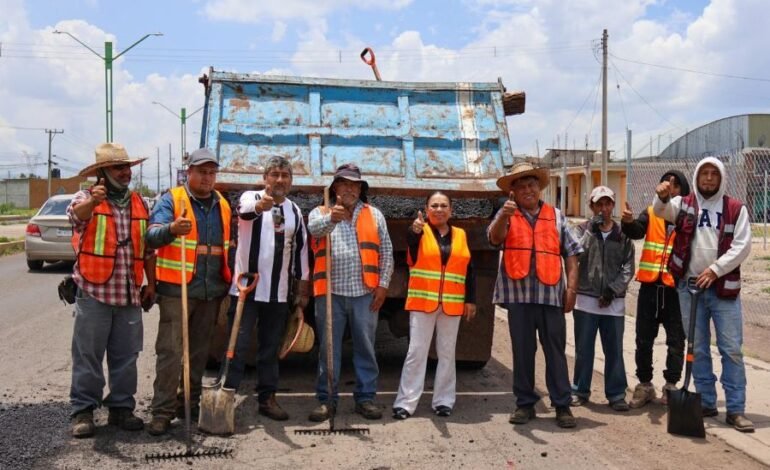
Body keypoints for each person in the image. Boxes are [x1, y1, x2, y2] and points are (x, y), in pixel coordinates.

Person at [654, 156, 754, 433]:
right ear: (697, 177)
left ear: (721, 178)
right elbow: (661, 211)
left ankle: (735, 409)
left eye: (714, 174)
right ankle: (707, 402)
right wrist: (661, 198)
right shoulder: (684, 204)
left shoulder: (735, 209)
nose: (708, 178)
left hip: (722, 290)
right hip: (689, 288)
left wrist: (715, 269)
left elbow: (742, 247)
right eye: (704, 174)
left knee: (731, 349)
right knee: (697, 348)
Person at [67, 143, 156, 438]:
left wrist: (151, 284)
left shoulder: (140, 202)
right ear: (102, 172)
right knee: (88, 355)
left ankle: (121, 408)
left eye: (127, 167)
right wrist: (93, 202)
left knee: (126, 355)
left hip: (129, 292)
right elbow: (77, 217)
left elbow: (148, 248)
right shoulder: (86, 198)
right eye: (119, 167)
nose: (126, 172)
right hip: (94, 292)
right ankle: (83, 410)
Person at [487, 162, 582, 429]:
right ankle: (525, 404)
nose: (528, 190)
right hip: (519, 297)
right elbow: (494, 239)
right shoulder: (505, 214)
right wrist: (504, 216)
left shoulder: (556, 216)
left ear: (539, 188)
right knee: (522, 351)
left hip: (551, 294)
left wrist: (571, 289)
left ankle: (562, 405)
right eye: (521, 186)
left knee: (556, 352)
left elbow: (573, 254)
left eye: (532, 185)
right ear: (513, 192)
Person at [145, 148, 232, 435]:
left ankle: (190, 403)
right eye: (202, 172)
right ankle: (162, 411)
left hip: (210, 291)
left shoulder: (222, 205)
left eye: (211, 173)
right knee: (171, 352)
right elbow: (151, 236)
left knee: (198, 353)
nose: (207, 178)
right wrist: (171, 228)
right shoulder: (172, 199)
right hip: (176, 290)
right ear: (189, 172)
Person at [224, 155, 310, 421]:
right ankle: (225, 398)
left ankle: (267, 398)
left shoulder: (294, 211)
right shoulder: (250, 198)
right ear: (265, 178)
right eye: (274, 174)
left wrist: (303, 289)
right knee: (236, 347)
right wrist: (262, 205)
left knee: (270, 349)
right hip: (245, 292)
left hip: (278, 293)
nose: (279, 180)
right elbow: (245, 213)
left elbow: (301, 252)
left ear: (291, 181)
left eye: (285, 175)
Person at [306, 163, 394, 422]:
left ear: (360, 189)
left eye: (354, 185)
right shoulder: (320, 211)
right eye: (344, 184)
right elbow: (313, 231)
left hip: (365, 293)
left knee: (366, 347)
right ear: (335, 188)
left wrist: (383, 285)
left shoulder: (374, 214)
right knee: (328, 349)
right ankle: (327, 400)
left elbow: (386, 252)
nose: (349, 189)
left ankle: (365, 399)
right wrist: (331, 218)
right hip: (330, 293)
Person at [392, 192, 476, 420]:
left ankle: (443, 401)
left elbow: (468, 269)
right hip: (423, 302)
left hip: (452, 304)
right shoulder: (419, 232)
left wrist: (471, 299)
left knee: (447, 353)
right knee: (416, 352)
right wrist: (414, 230)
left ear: (451, 210)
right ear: (426, 209)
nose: (439, 209)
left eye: (444, 206)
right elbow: (410, 241)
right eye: (434, 206)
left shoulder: (460, 234)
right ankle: (405, 403)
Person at [622, 170, 690, 408]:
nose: (670, 188)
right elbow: (636, 232)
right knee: (644, 338)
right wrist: (628, 222)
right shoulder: (651, 212)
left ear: (684, 191)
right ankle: (645, 385)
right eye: (666, 183)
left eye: (676, 185)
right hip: (651, 288)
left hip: (675, 290)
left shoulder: (689, 217)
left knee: (676, 340)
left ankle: (671, 386)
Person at [570, 186, 635, 412]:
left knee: (614, 350)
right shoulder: (580, 230)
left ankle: (616, 394)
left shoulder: (623, 235)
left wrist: (612, 290)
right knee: (583, 350)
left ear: (613, 205)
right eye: (599, 204)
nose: (604, 208)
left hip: (613, 304)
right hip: (586, 301)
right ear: (592, 207)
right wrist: (591, 231)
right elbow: (576, 254)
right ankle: (579, 390)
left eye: (608, 204)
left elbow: (628, 267)